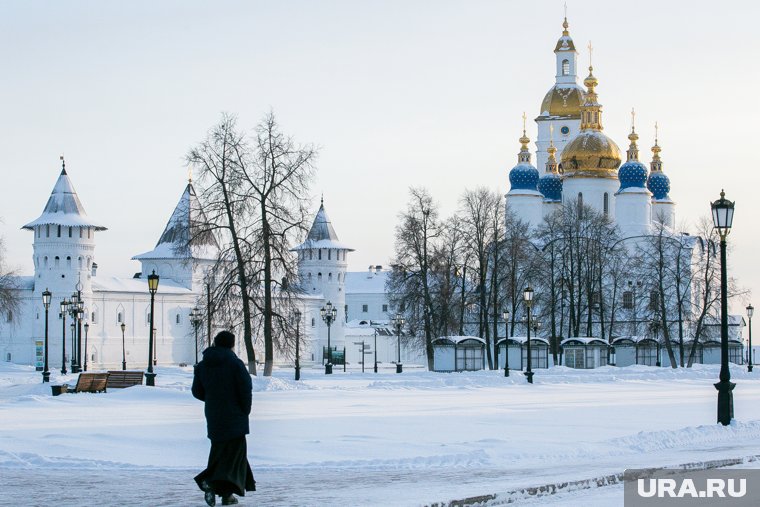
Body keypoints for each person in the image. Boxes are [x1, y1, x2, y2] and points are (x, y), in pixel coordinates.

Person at [192, 330, 256, 506]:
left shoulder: (203, 365)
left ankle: (226, 495)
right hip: (235, 417)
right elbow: (245, 389)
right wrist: (245, 410)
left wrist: (214, 400)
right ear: (232, 344)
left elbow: (197, 392)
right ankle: (209, 481)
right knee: (234, 457)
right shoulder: (235, 364)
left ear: (215, 342)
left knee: (219, 453)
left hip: (214, 416)